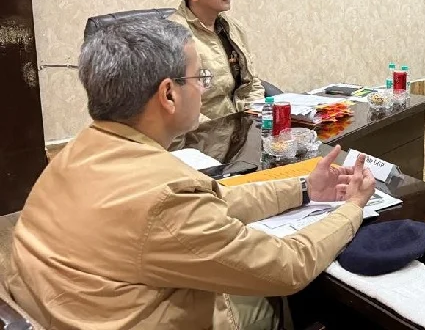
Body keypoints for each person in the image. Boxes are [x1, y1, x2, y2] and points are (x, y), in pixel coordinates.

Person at [6, 18, 376, 330]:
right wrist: (352, 208)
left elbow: (217, 198)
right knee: (298, 301)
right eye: (200, 76)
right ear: (168, 94)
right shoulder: (166, 194)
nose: (204, 87)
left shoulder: (79, 149)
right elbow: (287, 267)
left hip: (70, 310)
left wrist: (305, 189)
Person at [169, 0, 264, 121]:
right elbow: (179, 107)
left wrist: (256, 120)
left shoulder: (232, 28)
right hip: (203, 133)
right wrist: (226, 130)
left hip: (243, 126)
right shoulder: (174, 37)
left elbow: (251, 84)